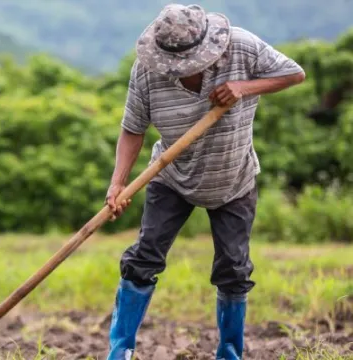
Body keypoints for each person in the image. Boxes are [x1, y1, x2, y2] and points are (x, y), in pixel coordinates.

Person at [104, 3, 305, 360]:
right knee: (143, 258)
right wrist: (117, 184)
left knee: (233, 269)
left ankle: (229, 354)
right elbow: (132, 129)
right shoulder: (147, 72)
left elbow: (294, 74)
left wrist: (244, 87)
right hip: (171, 177)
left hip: (234, 178)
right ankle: (120, 351)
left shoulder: (241, 46)